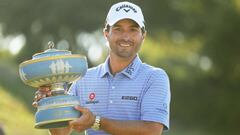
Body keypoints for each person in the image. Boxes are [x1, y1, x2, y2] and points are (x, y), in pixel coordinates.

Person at [34, 1, 171, 135]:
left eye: (133, 30)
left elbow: (152, 130)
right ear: (106, 34)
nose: (126, 36)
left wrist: (96, 122)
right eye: (118, 29)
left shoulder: (155, 77)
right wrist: (50, 105)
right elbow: (62, 131)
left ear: (143, 36)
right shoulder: (83, 78)